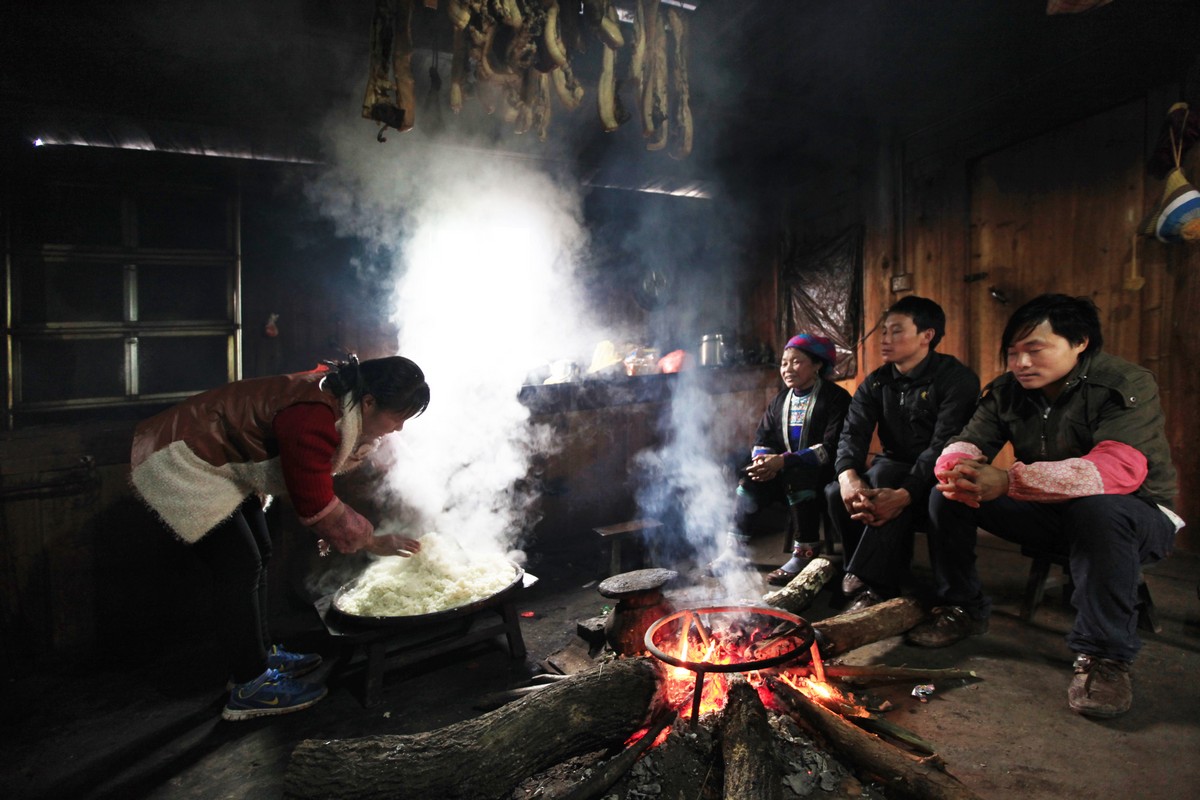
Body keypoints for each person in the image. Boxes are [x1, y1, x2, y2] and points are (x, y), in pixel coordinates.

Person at [907, 294, 1182, 719]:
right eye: (1013, 353)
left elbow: (1119, 469)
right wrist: (955, 468)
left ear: (1080, 343)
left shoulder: (1124, 384)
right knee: (950, 496)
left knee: (1097, 510)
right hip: (1052, 511)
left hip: (1136, 515)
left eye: (1035, 350)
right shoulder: (1006, 392)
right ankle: (960, 607)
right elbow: (966, 441)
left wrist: (1011, 481)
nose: (1020, 363)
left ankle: (1105, 658)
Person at [130, 354, 430, 721]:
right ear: (369, 403)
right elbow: (315, 502)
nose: (399, 427)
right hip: (185, 457)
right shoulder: (314, 417)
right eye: (398, 416)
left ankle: (258, 654)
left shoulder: (343, 400)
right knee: (239, 565)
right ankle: (249, 685)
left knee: (259, 550)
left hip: (223, 460)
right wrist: (372, 541)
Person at [827, 296, 979, 610]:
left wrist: (906, 491)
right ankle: (869, 571)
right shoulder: (877, 381)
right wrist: (848, 476)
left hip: (939, 471)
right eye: (884, 331)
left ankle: (870, 583)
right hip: (893, 463)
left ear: (927, 336)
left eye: (896, 331)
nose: (885, 339)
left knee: (887, 478)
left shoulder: (955, 379)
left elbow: (943, 446)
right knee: (836, 493)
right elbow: (852, 433)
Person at [714, 334, 852, 585]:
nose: (788, 369)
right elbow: (764, 438)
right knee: (750, 478)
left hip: (826, 472)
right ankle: (734, 551)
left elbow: (832, 448)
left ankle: (804, 554)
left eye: (797, 362)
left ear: (818, 364)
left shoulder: (836, 399)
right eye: (784, 363)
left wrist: (784, 462)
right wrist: (763, 464)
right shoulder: (780, 400)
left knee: (797, 474)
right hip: (783, 470)